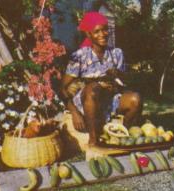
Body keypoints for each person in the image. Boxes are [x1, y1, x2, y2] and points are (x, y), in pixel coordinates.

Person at [60, 12, 142, 146]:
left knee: (135, 99)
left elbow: (123, 85)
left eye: (105, 30)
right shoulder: (80, 56)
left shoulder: (116, 54)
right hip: (87, 103)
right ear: (88, 34)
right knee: (93, 88)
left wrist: (116, 78)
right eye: (96, 31)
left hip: (109, 101)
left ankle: (121, 136)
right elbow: (63, 89)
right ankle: (93, 139)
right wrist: (74, 113)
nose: (103, 34)